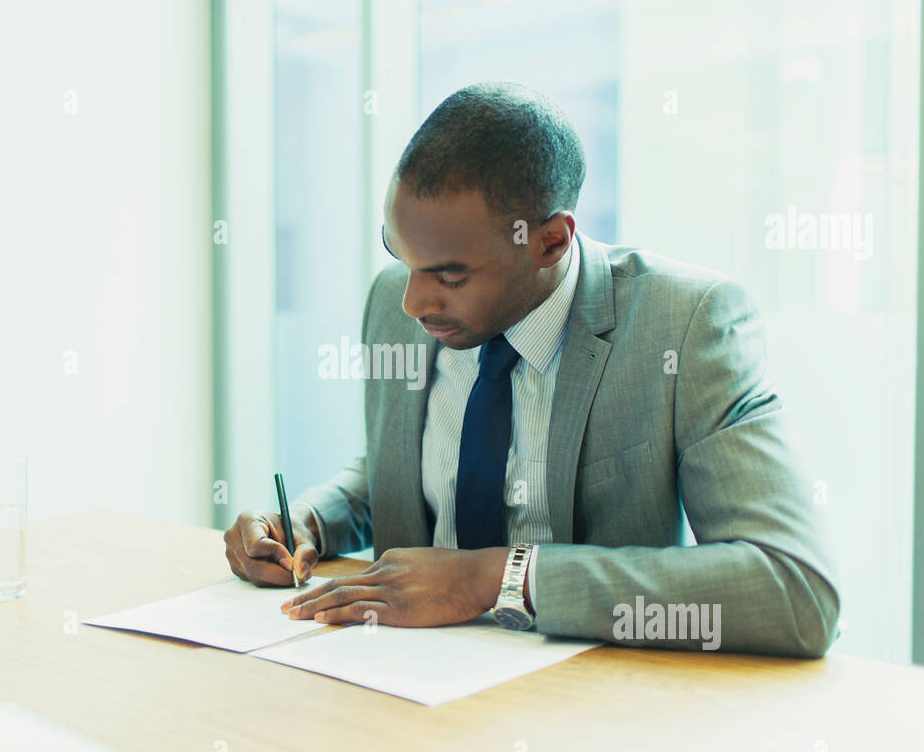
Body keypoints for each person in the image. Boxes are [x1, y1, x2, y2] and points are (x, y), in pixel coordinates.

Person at [223, 81, 840, 657]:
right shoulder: (398, 301)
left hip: (582, 704)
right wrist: (308, 521)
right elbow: (405, 474)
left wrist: (495, 579)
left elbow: (795, 588)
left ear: (549, 242)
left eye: (450, 274)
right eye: (400, 253)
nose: (413, 302)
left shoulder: (686, 325)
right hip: (397, 677)